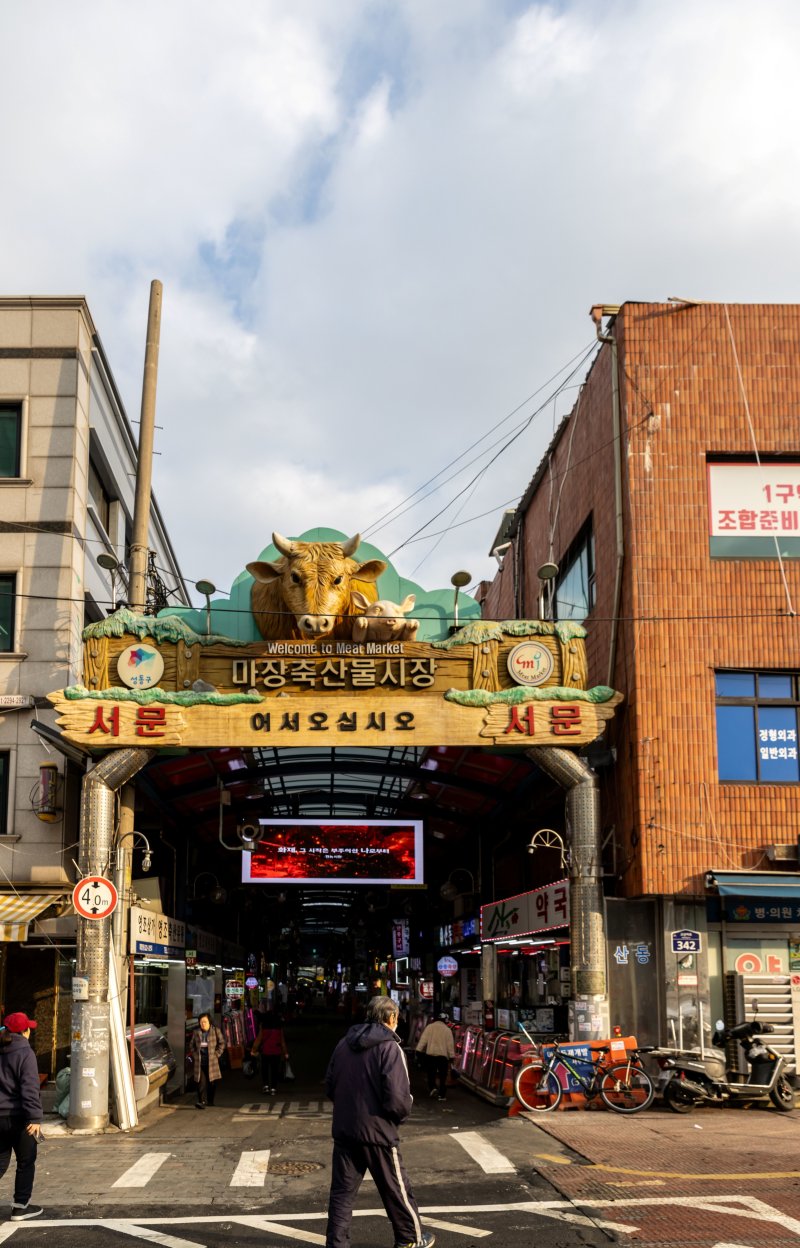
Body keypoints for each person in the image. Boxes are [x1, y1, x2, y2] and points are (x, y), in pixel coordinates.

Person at [325, 994, 434, 1248]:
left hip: (345, 1130)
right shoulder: (390, 1048)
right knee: (396, 1189)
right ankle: (409, 1239)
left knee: (341, 1193)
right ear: (392, 1017)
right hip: (378, 1133)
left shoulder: (343, 1044)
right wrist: (400, 1114)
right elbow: (398, 1099)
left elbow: (330, 1086)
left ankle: (337, 1244)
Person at [0, 1012, 44, 1221]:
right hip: (21, 1118)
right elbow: (30, 1088)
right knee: (26, 1161)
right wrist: (35, 1117)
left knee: (0, 1162)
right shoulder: (25, 1053)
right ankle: (20, 1207)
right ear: (25, 1031)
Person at [415, 1013, 455, 1102]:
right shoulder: (447, 1030)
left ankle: (433, 1087)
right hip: (442, 1057)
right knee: (442, 1076)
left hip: (430, 1055)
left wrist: (418, 1050)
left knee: (431, 1074)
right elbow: (450, 1045)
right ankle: (441, 1095)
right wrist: (452, 1056)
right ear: (445, 1020)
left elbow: (423, 1040)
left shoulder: (430, 1027)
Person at [188, 1013, 226, 1108]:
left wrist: (216, 1054)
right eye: (201, 1022)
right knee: (201, 1082)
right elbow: (191, 1045)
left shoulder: (216, 1031)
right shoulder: (196, 1032)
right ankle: (201, 1101)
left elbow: (222, 1043)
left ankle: (210, 1101)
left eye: (205, 1022)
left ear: (209, 1022)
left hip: (212, 1062)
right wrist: (195, 1055)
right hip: (200, 1062)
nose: (203, 1024)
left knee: (212, 1082)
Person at [251, 1010, 288, 1094]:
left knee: (265, 1069)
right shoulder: (279, 1028)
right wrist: (285, 1052)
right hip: (276, 1052)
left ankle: (266, 1086)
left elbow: (259, 1040)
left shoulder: (264, 1027)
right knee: (274, 1070)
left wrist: (253, 1050)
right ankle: (273, 1088)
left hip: (265, 1051)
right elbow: (282, 1041)